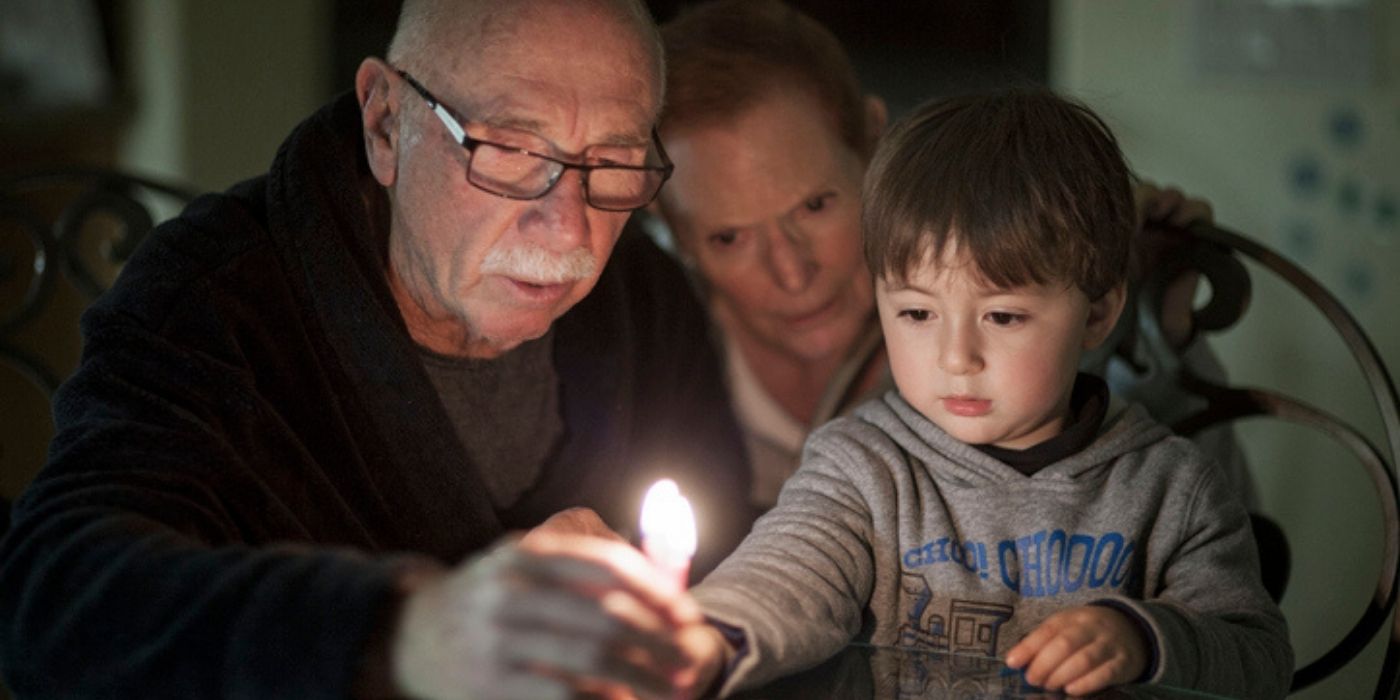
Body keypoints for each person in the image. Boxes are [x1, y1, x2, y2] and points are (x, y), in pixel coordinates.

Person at [0, 1, 751, 698]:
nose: (569, 229)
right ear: (386, 124)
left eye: (613, 161)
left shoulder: (644, 297)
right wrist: (405, 632)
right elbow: (57, 599)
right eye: (515, 149)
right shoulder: (216, 301)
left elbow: (731, 558)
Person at [676, 90, 1293, 698]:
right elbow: (783, 579)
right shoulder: (860, 469)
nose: (955, 358)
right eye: (917, 313)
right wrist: (707, 637)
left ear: (1099, 313)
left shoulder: (1171, 488)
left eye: (1002, 317)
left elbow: (1259, 658)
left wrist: (1145, 638)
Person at [654, 0, 1256, 515]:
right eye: (728, 238)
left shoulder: (1035, 320)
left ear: (872, 144)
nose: (792, 273)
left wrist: (1158, 332)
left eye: (815, 206)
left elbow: (1217, 558)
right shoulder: (657, 358)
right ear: (669, 229)